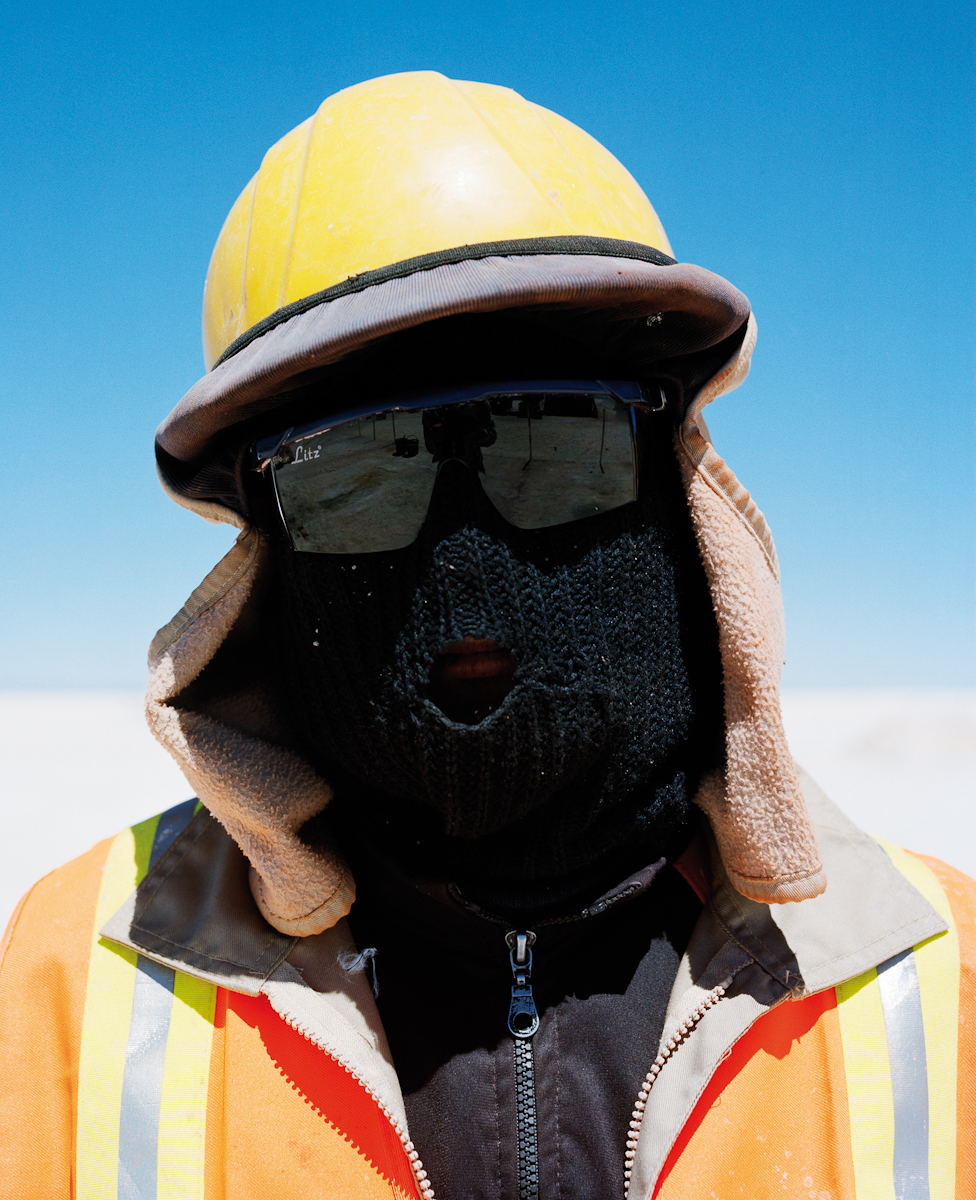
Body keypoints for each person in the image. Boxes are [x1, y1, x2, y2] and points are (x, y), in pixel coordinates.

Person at [1, 71, 972, 1200]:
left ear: (679, 495)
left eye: (554, 441)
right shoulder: (67, 982)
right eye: (350, 474)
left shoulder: (939, 988)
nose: (464, 561)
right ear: (265, 549)